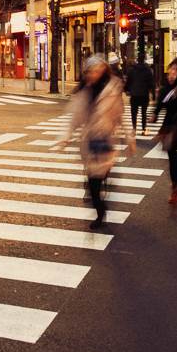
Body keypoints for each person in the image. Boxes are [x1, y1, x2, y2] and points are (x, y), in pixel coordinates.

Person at [58, 55, 133, 229]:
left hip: (106, 140)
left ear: (104, 70)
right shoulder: (84, 91)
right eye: (91, 71)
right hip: (89, 141)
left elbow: (121, 116)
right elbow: (74, 118)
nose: (94, 74)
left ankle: (100, 212)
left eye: (98, 70)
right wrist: (65, 136)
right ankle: (101, 210)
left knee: (98, 177)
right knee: (92, 185)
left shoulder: (113, 89)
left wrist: (130, 137)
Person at [153, 58, 177, 205]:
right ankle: (176, 185)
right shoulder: (166, 89)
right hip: (169, 129)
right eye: (170, 71)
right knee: (172, 161)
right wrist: (155, 114)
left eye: (175, 71)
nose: (171, 74)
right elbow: (160, 103)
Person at [124, 57, 155, 134]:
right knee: (143, 113)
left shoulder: (132, 70)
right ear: (144, 60)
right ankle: (144, 128)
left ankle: (134, 128)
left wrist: (126, 90)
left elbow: (128, 81)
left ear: (137, 61)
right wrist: (153, 93)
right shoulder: (148, 70)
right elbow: (151, 82)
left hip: (134, 94)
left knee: (134, 112)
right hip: (144, 94)